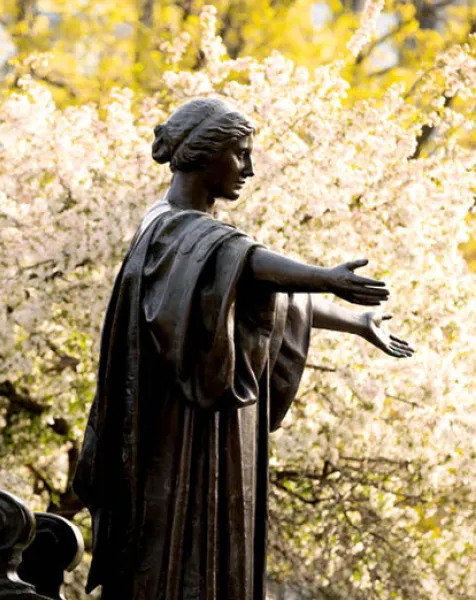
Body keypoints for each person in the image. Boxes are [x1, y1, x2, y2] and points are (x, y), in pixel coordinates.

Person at [72, 97, 414, 600]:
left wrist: (357, 321)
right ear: (202, 153)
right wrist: (323, 277)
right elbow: (244, 261)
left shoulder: (195, 236)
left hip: (212, 428)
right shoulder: (172, 228)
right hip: (182, 431)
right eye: (240, 154)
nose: (249, 170)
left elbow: (261, 292)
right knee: (183, 550)